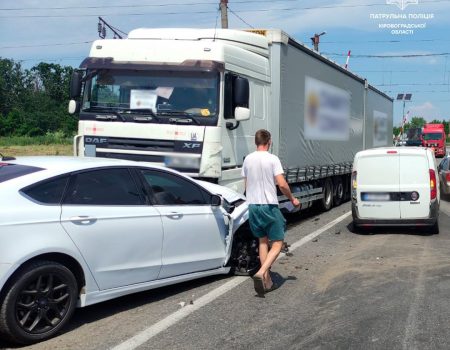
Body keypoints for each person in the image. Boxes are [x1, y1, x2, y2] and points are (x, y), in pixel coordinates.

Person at [241, 129, 300, 297]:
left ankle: (267, 282)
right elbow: (281, 184)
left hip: (253, 205)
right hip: (269, 206)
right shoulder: (273, 159)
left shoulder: (248, 160)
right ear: (269, 142)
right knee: (278, 243)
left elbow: (246, 183)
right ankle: (262, 272)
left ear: (256, 142)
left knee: (262, 241)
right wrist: (292, 199)